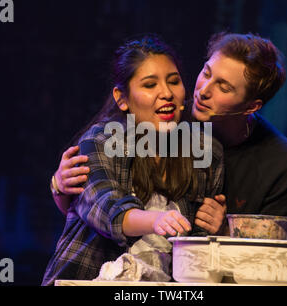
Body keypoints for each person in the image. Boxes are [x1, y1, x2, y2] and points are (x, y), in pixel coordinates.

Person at [51, 32, 287, 237]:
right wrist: (61, 188)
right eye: (206, 73)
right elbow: (97, 212)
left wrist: (225, 231)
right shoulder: (164, 118)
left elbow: (270, 253)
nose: (203, 91)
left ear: (251, 106)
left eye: (224, 87)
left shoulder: (280, 164)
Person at [42, 35, 224, 285]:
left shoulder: (206, 150)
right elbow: (107, 211)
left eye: (174, 81)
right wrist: (156, 220)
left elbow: (198, 250)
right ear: (122, 98)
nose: (167, 93)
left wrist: (216, 228)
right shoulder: (102, 139)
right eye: (150, 85)